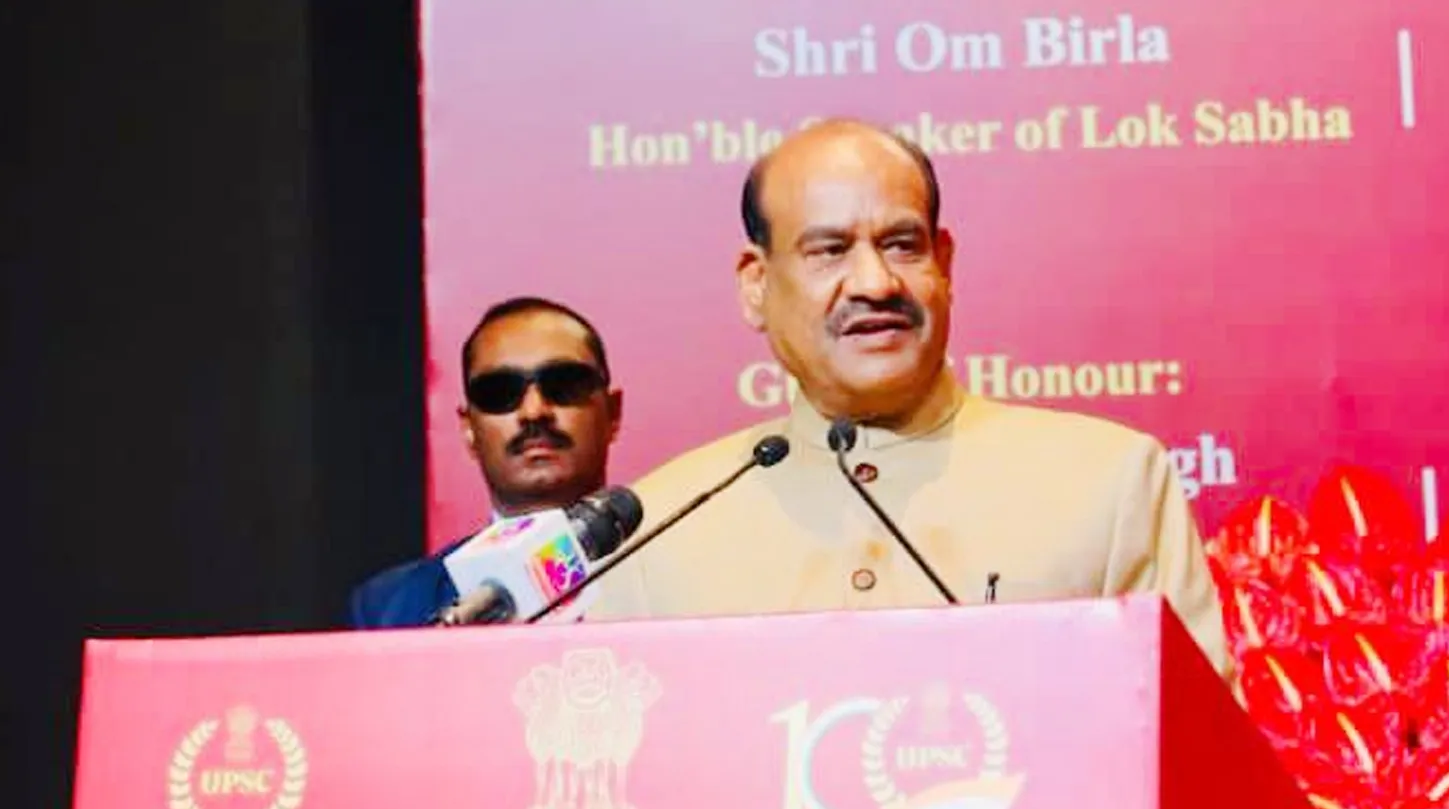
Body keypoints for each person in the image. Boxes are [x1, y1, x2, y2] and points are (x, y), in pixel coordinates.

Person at [585, 118, 1227, 676]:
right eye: (829, 250)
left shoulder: (1110, 482)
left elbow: (1194, 768)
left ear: (943, 264)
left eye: (902, 245)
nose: (875, 281)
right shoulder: (661, 530)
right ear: (757, 285)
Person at [347, 296, 623, 628]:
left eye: (564, 385)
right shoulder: (391, 607)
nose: (534, 411)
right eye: (499, 392)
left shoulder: (685, 568)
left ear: (613, 414)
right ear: (468, 430)